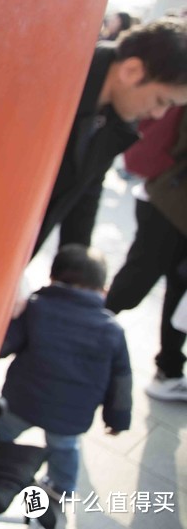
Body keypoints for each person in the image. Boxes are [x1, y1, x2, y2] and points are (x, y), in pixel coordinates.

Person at [33, 18, 187, 255]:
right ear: (131, 71)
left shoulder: (119, 119)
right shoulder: (56, 84)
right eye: (161, 101)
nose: (158, 114)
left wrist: (76, 262)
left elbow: (87, 188)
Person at [0, 245, 131, 499]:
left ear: (53, 278)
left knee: (1, 430)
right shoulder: (112, 331)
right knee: (65, 448)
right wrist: (117, 419)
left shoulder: (37, 308)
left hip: (24, 400)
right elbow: (121, 381)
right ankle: (62, 489)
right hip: (70, 415)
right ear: (103, 289)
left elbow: (4, 345)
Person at [106, 107, 187, 402]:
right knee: (136, 282)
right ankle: (76, 328)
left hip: (168, 197)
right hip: (168, 201)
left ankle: (169, 370)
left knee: (177, 288)